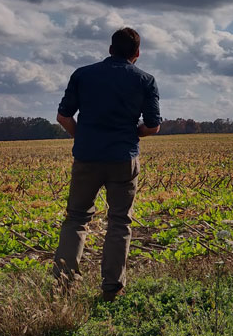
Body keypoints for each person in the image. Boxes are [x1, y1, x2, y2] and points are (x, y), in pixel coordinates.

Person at [53, 27, 161, 300]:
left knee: (76, 219)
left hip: (87, 158)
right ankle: (112, 288)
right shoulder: (145, 80)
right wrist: (132, 133)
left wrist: (85, 137)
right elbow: (152, 126)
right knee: (119, 222)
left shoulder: (83, 75)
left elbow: (63, 118)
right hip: (123, 160)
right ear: (137, 53)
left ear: (110, 49)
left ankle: (62, 287)